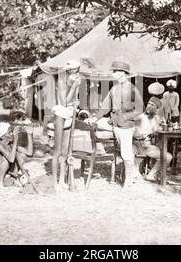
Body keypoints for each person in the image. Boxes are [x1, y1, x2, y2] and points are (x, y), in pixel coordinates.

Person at [87, 60, 144, 187]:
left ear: (122, 73)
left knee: (125, 153)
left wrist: (125, 116)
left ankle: (128, 181)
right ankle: (95, 148)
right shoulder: (114, 88)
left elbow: (140, 109)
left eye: (115, 71)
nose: (113, 73)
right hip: (114, 122)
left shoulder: (132, 89)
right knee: (93, 124)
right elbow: (105, 107)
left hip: (125, 125)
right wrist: (95, 118)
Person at [51, 59, 82, 189]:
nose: (75, 73)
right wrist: (74, 86)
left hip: (69, 114)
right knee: (57, 151)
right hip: (60, 114)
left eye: (77, 70)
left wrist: (76, 102)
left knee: (65, 151)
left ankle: (62, 181)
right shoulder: (62, 81)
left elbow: (73, 100)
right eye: (73, 70)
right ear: (69, 70)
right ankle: (54, 181)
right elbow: (64, 102)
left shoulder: (75, 80)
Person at [133, 97, 173, 181]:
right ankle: (136, 171)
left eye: (152, 105)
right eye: (148, 104)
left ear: (157, 109)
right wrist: (146, 133)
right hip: (138, 145)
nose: (149, 106)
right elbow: (135, 134)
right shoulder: (139, 118)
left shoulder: (158, 118)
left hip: (149, 146)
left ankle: (151, 174)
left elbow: (161, 131)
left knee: (168, 157)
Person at [0, 122, 34, 187]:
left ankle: (10, 178)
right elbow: (11, 159)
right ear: (2, 136)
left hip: (0, 171)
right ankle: (0, 182)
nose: (12, 134)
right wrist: (15, 139)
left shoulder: (11, 144)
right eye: (9, 133)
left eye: (12, 132)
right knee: (7, 159)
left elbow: (29, 153)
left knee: (22, 156)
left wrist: (29, 134)